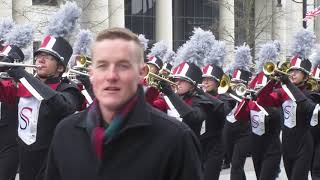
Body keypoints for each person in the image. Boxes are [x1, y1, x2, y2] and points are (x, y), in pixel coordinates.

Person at [44, 27, 203, 180]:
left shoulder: (176, 138)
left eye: (123, 66)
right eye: (102, 65)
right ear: (91, 74)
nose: (111, 76)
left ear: (141, 74)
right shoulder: (65, 132)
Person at [0, 36, 84, 180]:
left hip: (53, 163)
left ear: (60, 67)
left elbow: (62, 105)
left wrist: (19, 73)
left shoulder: (69, 90)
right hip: (26, 162)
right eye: (39, 55)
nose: (40, 60)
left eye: (48, 57)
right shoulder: (22, 86)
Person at [256, 56, 317, 180]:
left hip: (304, 144)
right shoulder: (283, 93)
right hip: (287, 144)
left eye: (297, 71)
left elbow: (307, 107)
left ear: (305, 76)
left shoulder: (310, 94)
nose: (292, 74)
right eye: (290, 71)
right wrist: (272, 81)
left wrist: (288, 84)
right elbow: (262, 99)